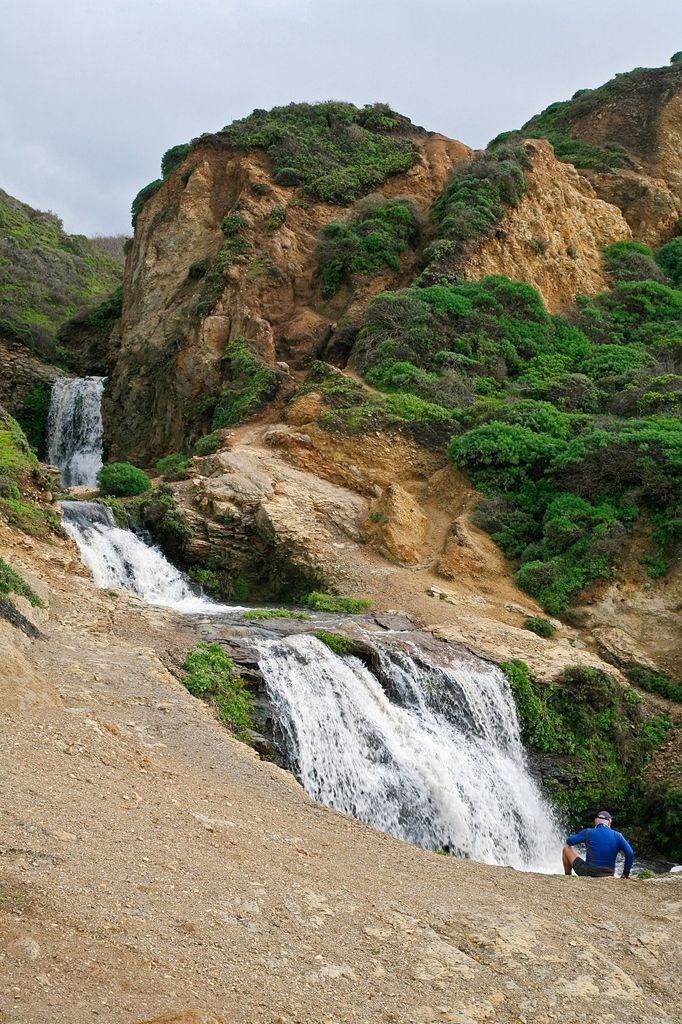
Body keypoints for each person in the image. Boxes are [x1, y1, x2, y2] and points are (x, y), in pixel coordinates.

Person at [562, 810, 634, 878]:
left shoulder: (588, 832)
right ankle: (624, 875)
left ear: (595, 822)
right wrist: (625, 873)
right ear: (609, 822)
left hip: (589, 872)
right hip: (609, 873)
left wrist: (582, 836)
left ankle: (568, 877)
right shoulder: (618, 836)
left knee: (566, 848)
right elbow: (630, 853)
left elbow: (569, 841)